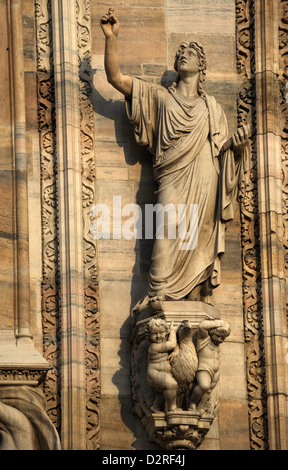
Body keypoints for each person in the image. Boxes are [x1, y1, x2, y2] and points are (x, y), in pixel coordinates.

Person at [100, 9, 250, 305]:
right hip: (172, 177)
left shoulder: (212, 107)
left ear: (201, 65)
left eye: (191, 52)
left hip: (205, 179)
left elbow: (221, 152)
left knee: (197, 241)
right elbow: (115, 78)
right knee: (166, 235)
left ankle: (194, 298)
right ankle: (158, 295)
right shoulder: (159, 96)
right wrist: (111, 39)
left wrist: (238, 146)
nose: (184, 54)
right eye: (181, 52)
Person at [188, 319, 231, 415]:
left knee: (209, 390)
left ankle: (201, 406)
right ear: (212, 333)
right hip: (204, 368)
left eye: (223, 338)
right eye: (218, 336)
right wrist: (221, 323)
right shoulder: (204, 340)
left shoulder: (217, 344)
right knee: (204, 385)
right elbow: (202, 326)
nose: (220, 340)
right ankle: (192, 403)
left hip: (215, 371)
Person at [145, 318, 178, 412]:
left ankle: (155, 406)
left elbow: (174, 346)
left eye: (161, 332)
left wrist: (176, 352)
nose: (158, 336)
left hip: (163, 372)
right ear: (149, 335)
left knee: (161, 391)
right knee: (172, 385)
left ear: (165, 332)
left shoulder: (163, 343)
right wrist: (173, 331)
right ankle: (172, 407)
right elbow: (171, 344)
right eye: (154, 334)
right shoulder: (153, 347)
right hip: (154, 373)